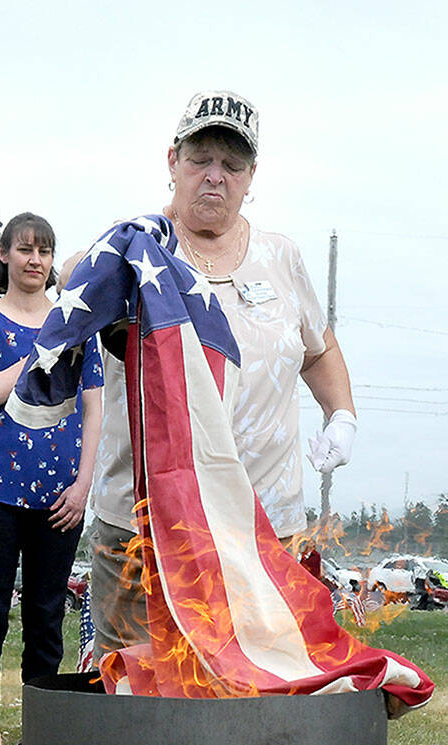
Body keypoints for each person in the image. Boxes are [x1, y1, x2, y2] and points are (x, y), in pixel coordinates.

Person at [74, 91, 357, 657]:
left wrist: (342, 415)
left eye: (232, 165)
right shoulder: (133, 247)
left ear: (252, 177)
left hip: (263, 528)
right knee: (134, 687)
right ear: (172, 160)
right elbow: (67, 297)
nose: (214, 176)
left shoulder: (281, 258)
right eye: (201, 158)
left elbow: (318, 349)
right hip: (145, 525)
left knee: (256, 683)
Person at [0, 212, 103, 745]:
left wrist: (83, 485)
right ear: (4, 257)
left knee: (46, 616)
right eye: (24, 249)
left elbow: (93, 407)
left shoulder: (75, 327)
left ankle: (40, 731)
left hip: (59, 498)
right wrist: (35, 354)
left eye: (45, 251)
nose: (36, 260)